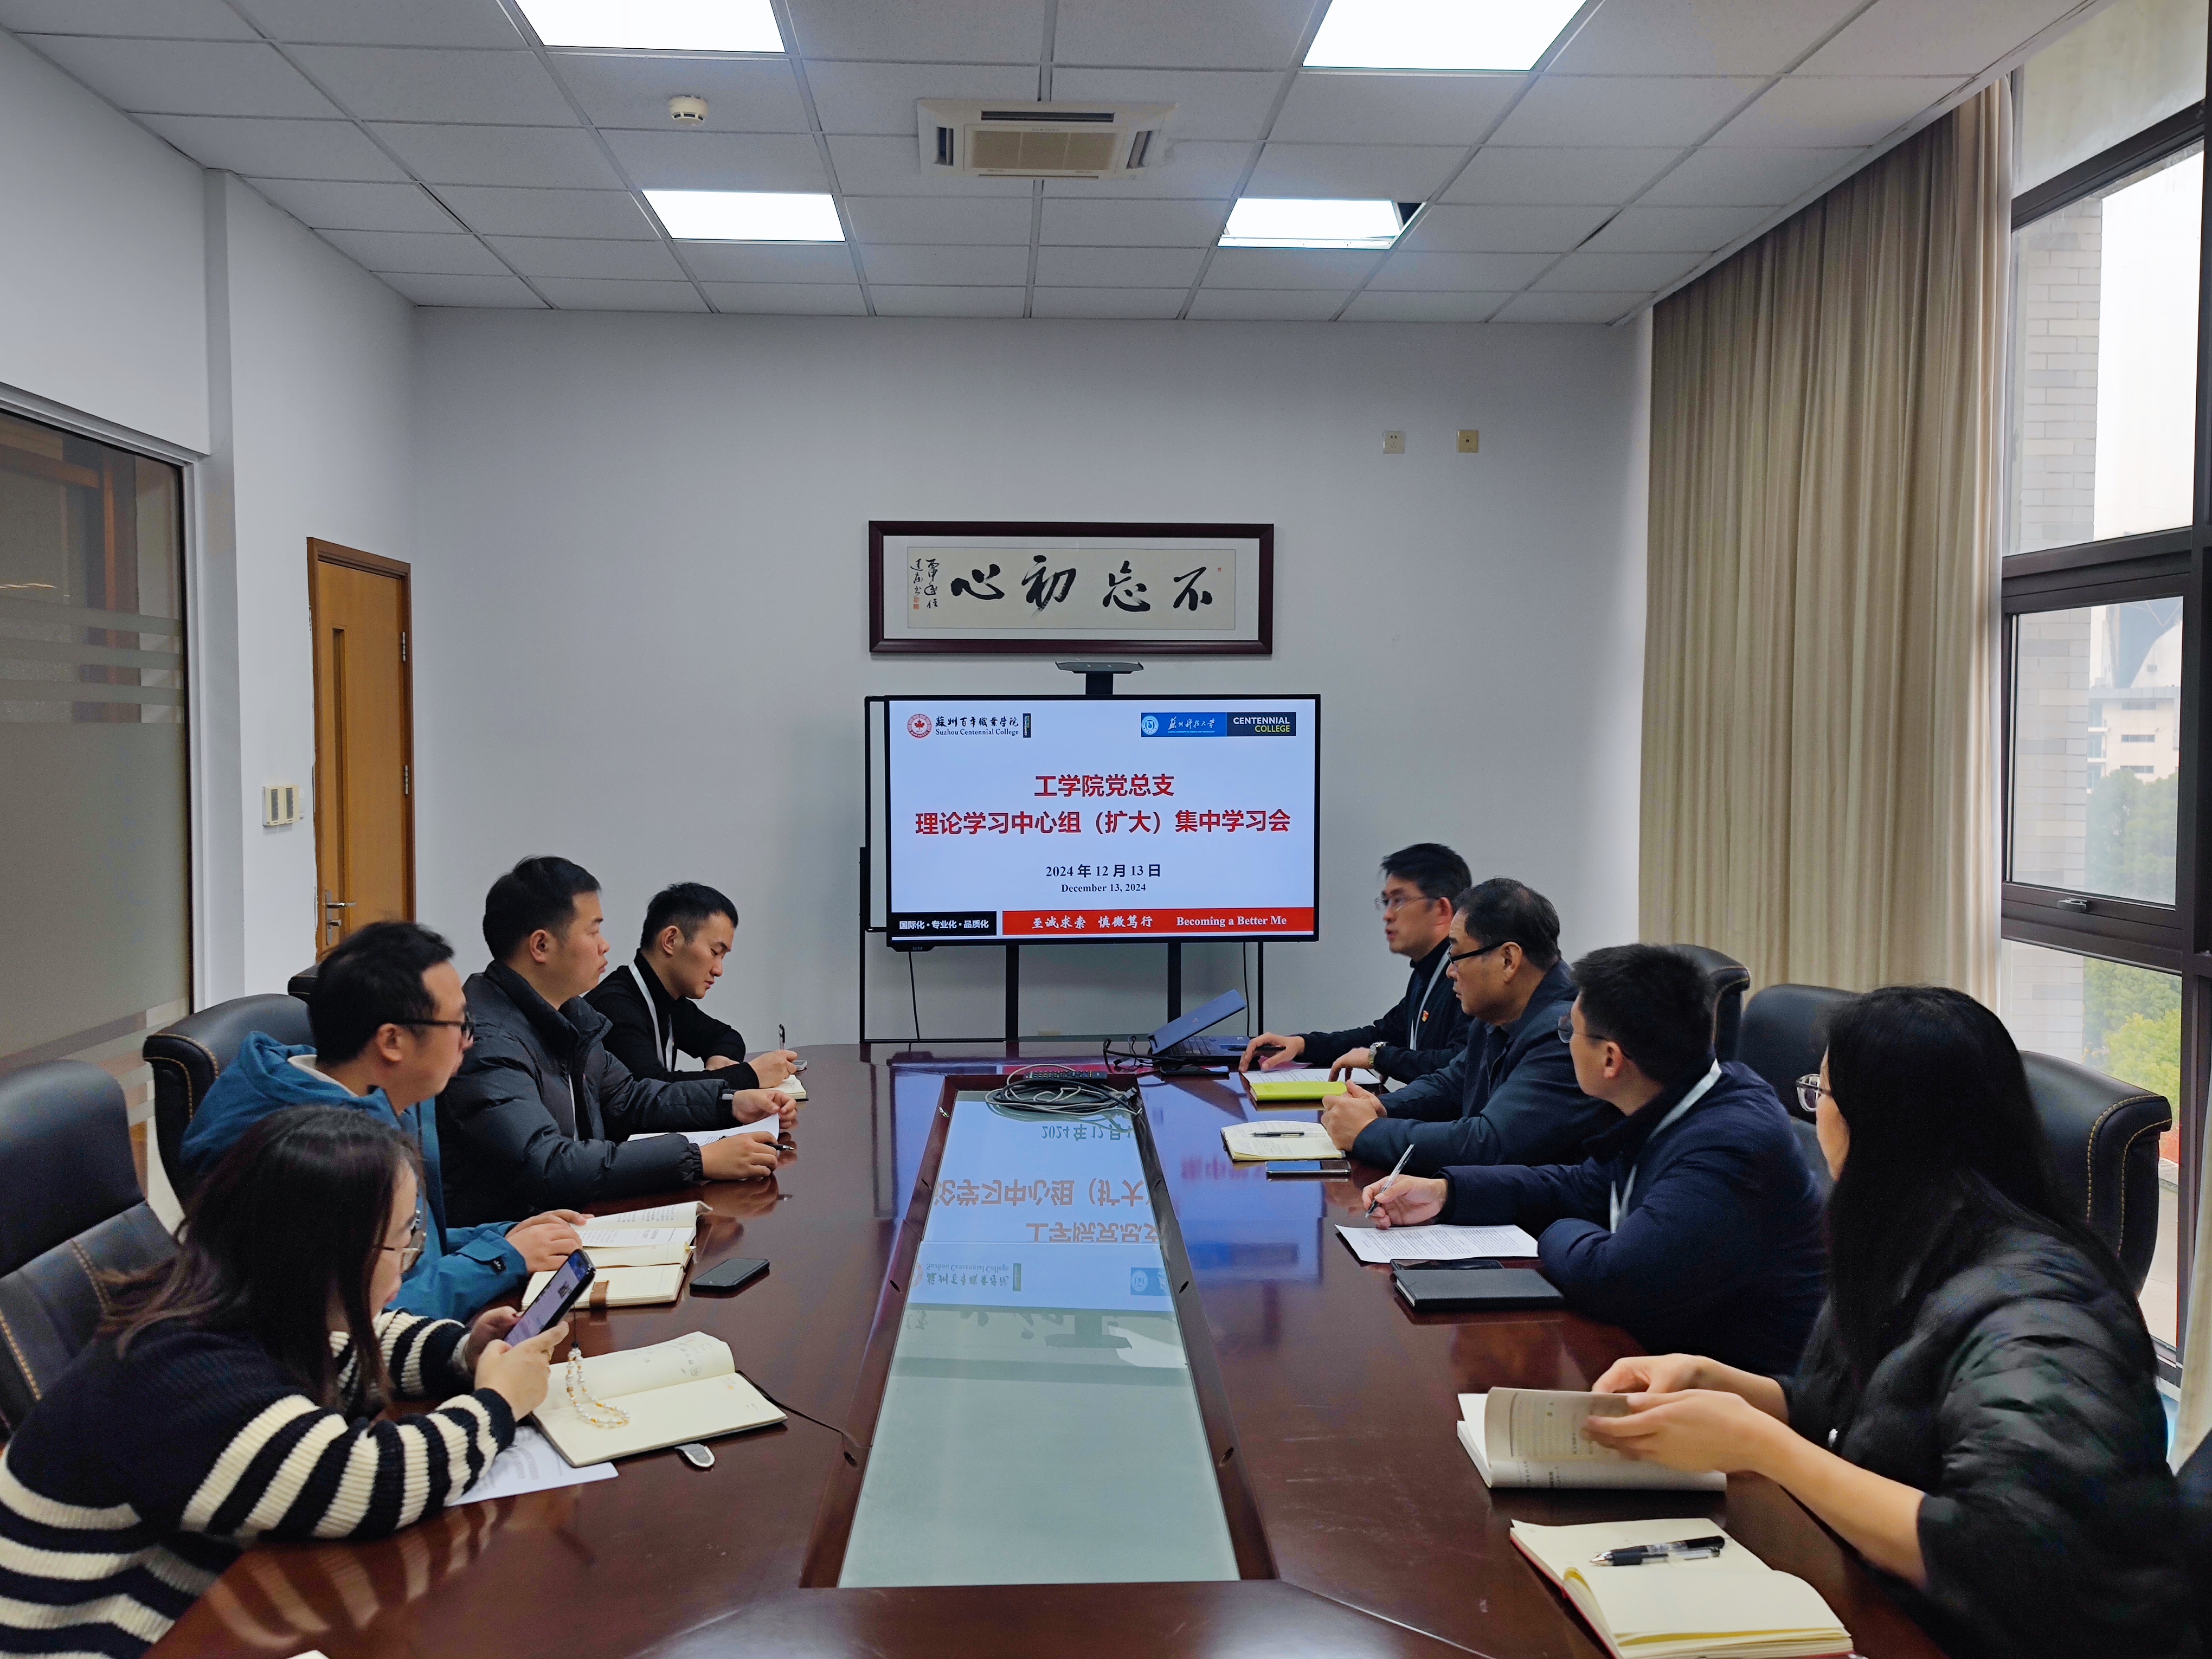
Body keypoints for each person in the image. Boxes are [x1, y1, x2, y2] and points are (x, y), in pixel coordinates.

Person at [1575, 986, 2196, 1659]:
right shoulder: (1911, 1236)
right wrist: (1721, 1383)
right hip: (1873, 1596)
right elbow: (1858, 1420)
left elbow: (2008, 1557)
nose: (1815, 1115)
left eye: (1821, 1093)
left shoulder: (2041, 1312)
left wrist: (1762, 1446)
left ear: (1880, 1124)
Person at [0, 1108, 565, 1659]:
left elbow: (353, 1349)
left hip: (208, 1601)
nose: (408, 1263)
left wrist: (463, 1352)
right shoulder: (182, 1375)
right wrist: (497, 1403)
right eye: (400, 1244)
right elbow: (371, 1481)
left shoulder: (243, 1303)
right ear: (323, 1251)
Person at [1364, 944, 1825, 1373]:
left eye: (1570, 1031)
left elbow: (1613, 1279)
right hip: (1660, 1359)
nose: (1565, 1042)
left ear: (1610, 1059)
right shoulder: (1679, 1097)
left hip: (1736, 1400)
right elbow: (1584, 1185)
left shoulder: (1727, 1144)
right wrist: (1447, 1193)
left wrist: (1551, 1231)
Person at [179, 920, 583, 1323]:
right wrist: (501, 1258)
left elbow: (411, 1247)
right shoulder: (312, 1152)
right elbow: (365, 1312)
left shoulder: (378, 1096)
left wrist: (505, 1236)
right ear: (392, 1042)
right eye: (460, 1024)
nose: (469, 1040)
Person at [438, 856, 794, 1225]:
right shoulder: (488, 1042)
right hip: (517, 1240)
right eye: (593, 932)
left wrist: (730, 1103)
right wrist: (697, 1158)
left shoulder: (570, 1016)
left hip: (576, 1219)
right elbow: (548, 1165)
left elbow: (630, 1097)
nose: (605, 946)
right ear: (541, 946)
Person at [1319, 878, 1607, 1174]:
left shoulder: (1567, 1031)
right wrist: (1383, 1107)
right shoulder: (1498, 1015)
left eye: (1456, 957)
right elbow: (1452, 1083)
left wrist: (1368, 1132)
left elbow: (1489, 1144)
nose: (1450, 972)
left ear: (1508, 960)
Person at [1239, 843, 1471, 1082]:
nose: (1387, 915)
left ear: (1441, 909)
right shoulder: (1427, 973)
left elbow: (1459, 1066)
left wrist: (1378, 1058)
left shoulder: (1466, 976)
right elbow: (1382, 1036)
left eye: (1399, 900)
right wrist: (1303, 1045)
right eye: (1386, 902)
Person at [586, 881, 800, 1089]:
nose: (719, 970)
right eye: (715, 952)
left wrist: (720, 1059)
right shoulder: (614, 1006)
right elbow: (652, 1091)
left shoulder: (667, 998)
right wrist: (749, 1076)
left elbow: (726, 1036)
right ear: (671, 940)